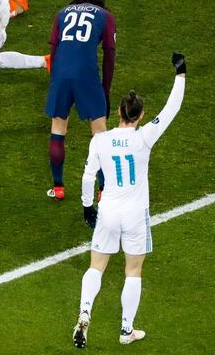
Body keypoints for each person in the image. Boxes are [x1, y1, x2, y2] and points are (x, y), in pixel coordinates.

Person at [72, 53, 186, 349]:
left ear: (119, 114)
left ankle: (84, 313)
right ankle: (126, 330)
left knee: (96, 266)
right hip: (135, 214)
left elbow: (87, 177)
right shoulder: (144, 137)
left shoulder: (100, 140)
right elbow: (171, 109)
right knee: (133, 270)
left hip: (107, 211)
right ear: (140, 115)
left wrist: (87, 206)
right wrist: (180, 75)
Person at [43, 0, 116, 200]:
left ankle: (58, 188)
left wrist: (55, 82)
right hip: (87, 76)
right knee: (100, 134)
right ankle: (103, 190)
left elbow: (55, 52)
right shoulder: (105, 15)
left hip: (60, 75)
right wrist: (105, 90)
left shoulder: (61, 14)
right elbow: (109, 55)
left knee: (58, 129)